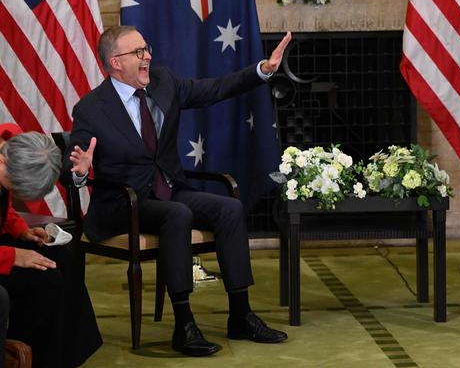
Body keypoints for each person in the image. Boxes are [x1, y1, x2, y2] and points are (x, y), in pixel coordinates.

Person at [65, 25, 291, 357]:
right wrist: (82, 173)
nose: (148, 56)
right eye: (138, 52)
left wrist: (262, 71)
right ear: (115, 62)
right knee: (177, 214)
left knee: (229, 208)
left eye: (147, 48)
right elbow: (74, 169)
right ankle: (184, 325)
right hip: (123, 203)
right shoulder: (91, 108)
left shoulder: (164, 82)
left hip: (168, 191)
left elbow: (214, 89)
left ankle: (241, 315)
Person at [0, 124, 102, 367]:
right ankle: (26, 357)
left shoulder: (14, 147)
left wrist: (22, 232)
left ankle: (68, 357)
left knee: (61, 257)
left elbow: (5, 208)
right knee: (44, 280)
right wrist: (13, 256)